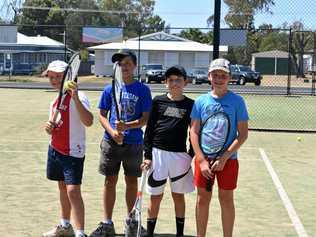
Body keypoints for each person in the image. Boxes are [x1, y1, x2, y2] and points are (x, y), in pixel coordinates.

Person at [90, 49, 152, 237]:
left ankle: (131, 222)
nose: (123, 67)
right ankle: (107, 223)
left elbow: (145, 118)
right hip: (111, 143)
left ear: (134, 66)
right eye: (120, 64)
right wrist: (113, 131)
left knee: (131, 182)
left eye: (127, 63)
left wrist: (127, 126)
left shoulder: (142, 90)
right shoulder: (110, 88)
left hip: (133, 143)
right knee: (109, 181)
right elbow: (102, 115)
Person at [190, 58, 249, 237]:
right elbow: (194, 132)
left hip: (228, 162)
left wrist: (224, 158)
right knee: (202, 199)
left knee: (226, 199)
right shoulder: (200, 101)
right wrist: (200, 160)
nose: (219, 79)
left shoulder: (237, 101)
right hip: (204, 162)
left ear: (229, 77)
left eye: (223, 75)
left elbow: (243, 135)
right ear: (209, 77)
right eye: (215, 75)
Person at [141, 66, 195, 237]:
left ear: (185, 82)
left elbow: (194, 132)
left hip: (180, 157)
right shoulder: (158, 101)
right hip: (158, 155)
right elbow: (149, 130)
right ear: (165, 83)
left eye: (178, 79)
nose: (174, 83)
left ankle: (180, 233)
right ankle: (150, 233)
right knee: (155, 197)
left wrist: (191, 154)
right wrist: (148, 156)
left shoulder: (191, 104)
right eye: (170, 80)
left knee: (178, 196)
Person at [43, 60, 94, 237]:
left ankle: (80, 233)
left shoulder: (80, 97)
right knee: (62, 188)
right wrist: (49, 127)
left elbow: (88, 121)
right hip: (55, 150)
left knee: (73, 191)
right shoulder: (54, 102)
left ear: (68, 77)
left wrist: (75, 98)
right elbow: (55, 127)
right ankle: (65, 225)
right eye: (52, 77)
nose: (55, 80)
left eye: (59, 76)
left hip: (73, 152)